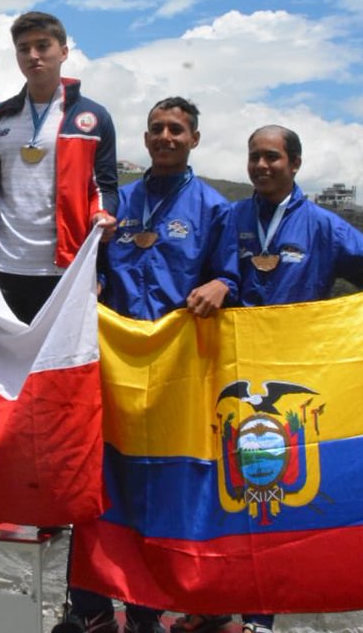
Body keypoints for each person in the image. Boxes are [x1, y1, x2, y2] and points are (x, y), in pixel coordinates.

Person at [179, 124, 363, 633]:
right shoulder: (230, 218)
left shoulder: (322, 225)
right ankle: (212, 604)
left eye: (272, 157)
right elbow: (203, 274)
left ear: (294, 164)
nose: (261, 166)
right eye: (254, 157)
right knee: (220, 492)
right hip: (227, 375)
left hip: (291, 385)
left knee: (266, 495)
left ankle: (258, 617)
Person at [64, 98, 238, 633]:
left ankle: (149, 611)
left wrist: (223, 282)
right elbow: (87, 263)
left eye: (177, 130)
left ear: (194, 139)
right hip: (114, 368)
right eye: (158, 129)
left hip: (177, 373)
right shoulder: (118, 203)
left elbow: (230, 274)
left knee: (167, 488)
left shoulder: (214, 208)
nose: (166, 137)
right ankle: (92, 607)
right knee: (100, 481)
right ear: (145, 138)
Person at [0, 10, 118, 323]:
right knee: (3, 369)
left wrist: (102, 214)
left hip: (65, 266)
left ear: (63, 52)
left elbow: (104, 185)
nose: (33, 56)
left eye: (43, 46)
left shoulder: (93, 118)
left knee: (53, 371)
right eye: (24, 49)